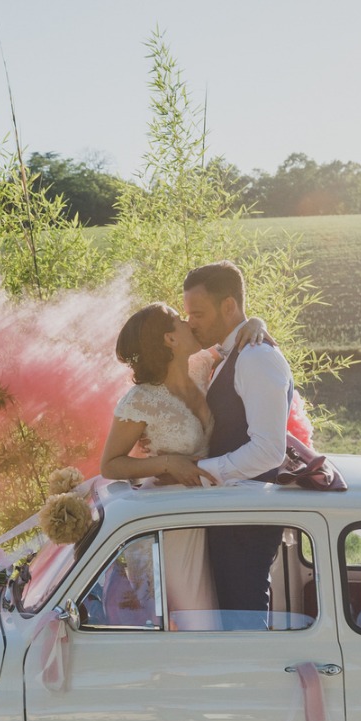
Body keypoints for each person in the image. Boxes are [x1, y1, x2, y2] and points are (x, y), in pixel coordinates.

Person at [98, 302, 274, 622]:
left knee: (223, 602)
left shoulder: (201, 367)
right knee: (199, 621)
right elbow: (110, 465)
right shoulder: (140, 400)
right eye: (180, 320)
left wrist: (258, 322)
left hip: (209, 507)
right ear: (170, 340)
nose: (189, 322)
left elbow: (239, 340)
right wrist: (168, 463)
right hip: (171, 518)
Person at [181, 260, 296, 620]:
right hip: (228, 513)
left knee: (243, 621)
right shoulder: (233, 351)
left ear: (228, 306)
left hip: (246, 521)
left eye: (197, 313)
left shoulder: (257, 358)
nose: (190, 323)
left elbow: (269, 450)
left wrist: (200, 471)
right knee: (230, 619)